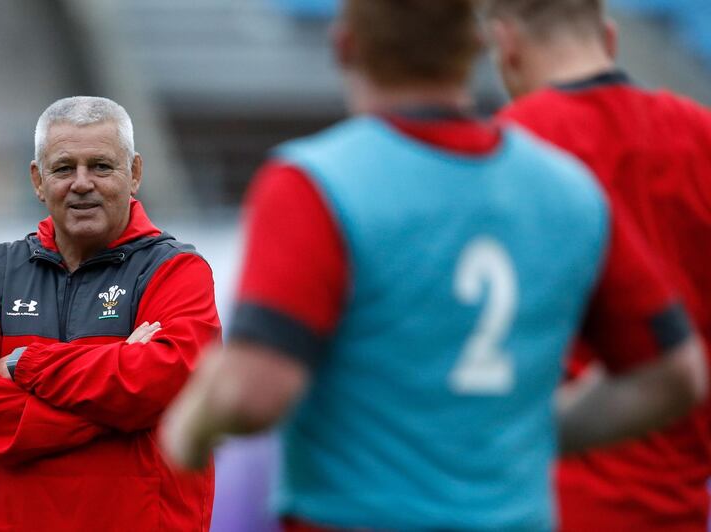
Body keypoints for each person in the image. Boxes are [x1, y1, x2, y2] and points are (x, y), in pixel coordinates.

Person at [156, 2, 708, 531]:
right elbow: (672, 375)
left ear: (345, 45)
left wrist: (191, 430)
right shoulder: (563, 187)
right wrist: (521, 433)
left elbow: (257, 389)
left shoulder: (317, 182)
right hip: (558, 510)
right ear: (476, 46)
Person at [0, 96, 221, 531]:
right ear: (38, 179)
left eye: (101, 166)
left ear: (135, 173)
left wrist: (24, 363)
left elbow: (161, 380)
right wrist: (113, 398)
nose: (82, 183)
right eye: (64, 168)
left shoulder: (176, 270)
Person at [487, 1, 711, 529]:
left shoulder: (498, 154)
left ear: (506, 44)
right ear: (608, 38)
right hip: (677, 505)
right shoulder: (703, 139)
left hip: (539, 504)